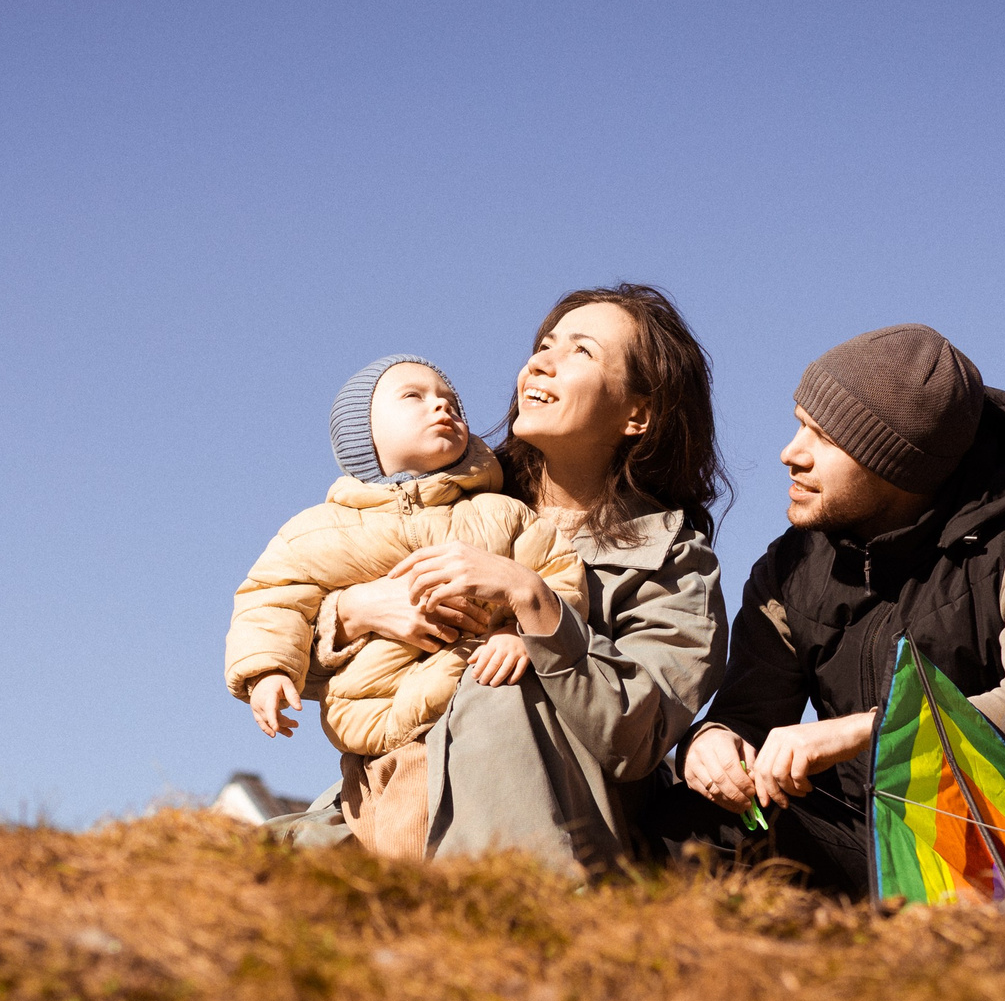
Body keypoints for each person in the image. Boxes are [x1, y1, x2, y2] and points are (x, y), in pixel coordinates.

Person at [289, 285, 730, 876]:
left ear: (638, 415)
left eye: (581, 351)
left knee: (501, 687)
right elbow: (289, 650)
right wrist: (354, 613)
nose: (541, 363)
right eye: (543, 345)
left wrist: (535, 602)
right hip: (386, 801)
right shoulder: (443, 493)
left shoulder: (673, 561)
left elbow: (639, 736)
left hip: (555, 841)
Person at [680, 323, 1005, 894]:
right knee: (684, 824)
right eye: (799, 424)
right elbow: (747, 718)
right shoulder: (789, 567)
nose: (791, 454)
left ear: (896, 465)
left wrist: (863, 731)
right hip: (867, 841)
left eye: (825, 438)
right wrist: (710, 742)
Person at [224, 355, 588, 860]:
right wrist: (267, 671)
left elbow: (556, 574)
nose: (441, 405)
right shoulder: (317, 531)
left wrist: (519, 634)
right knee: (379, 851)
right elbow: (272, 598)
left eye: (451, 400)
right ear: (363, 437)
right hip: (368, 736)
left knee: (424, 845)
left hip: (459, 715)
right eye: (413, 396)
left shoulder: (501, 513)